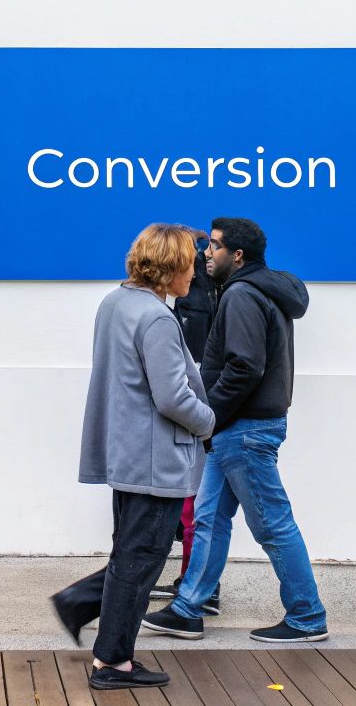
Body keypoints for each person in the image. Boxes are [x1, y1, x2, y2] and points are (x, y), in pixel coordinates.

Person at [143, 217, 327, 643]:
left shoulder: (242, 294)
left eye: (215, 247)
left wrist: (208, 415)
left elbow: (244, 366)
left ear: (237, 255)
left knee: (273, 525)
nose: (206, 254)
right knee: (208, 519)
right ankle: (189, 608)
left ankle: (306, 616)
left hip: (244, 431)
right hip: (237, 429)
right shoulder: (258, 290)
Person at [51, 224, 214, 692]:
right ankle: (111, 663)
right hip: (156, 457)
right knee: (141, 559)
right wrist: (209, 421)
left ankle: (85, 610)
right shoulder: (158, 318)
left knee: (133, 553)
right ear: (171, 266)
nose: (197, 271)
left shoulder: (116, 303)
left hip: (128, 451)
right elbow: (172, 397)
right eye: (191, 260)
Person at [153, 230, 218, 607]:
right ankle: (193, 584)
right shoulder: (175, 301)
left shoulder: (202, 292)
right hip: (197, 403)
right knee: (192, 507)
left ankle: (198, 588)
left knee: (194, 506)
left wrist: (207, 418)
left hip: (199, 404)